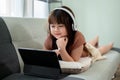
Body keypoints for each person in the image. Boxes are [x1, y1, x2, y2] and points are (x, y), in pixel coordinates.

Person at [43, 6, 113, 62]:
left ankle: (111, 44)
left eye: (60, 26)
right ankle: (96, 39)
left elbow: (73, 62)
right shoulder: (50, 38)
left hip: (84, 51)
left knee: (98, 50)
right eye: (53, 26)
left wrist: (62, 49)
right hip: (81, 46)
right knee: (88, 44)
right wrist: (51, 54)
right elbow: (44, 56)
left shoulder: (78, 37)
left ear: (71, 26)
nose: (56, 30)